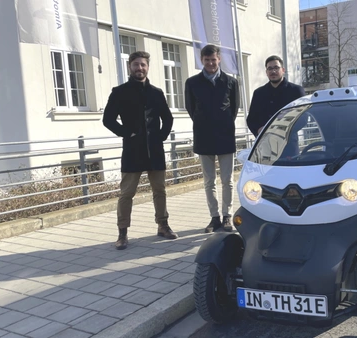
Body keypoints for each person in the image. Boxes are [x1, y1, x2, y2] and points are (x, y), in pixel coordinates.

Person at [103, 51, 177, 250]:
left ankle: (163, 225)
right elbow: (108, 120)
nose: (139, 68)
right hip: (132, 151)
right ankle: (122, 233)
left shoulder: (156, 92)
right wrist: (127, 133)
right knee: (127, 193)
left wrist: (160, 137)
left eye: (143, 65)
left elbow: (168, 119)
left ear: (148, 67)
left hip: (155, 151)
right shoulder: (119, 92)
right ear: (130, 67)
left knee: (159, 190)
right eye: (136, 64)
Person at [185, 44, 240, 233]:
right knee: (209, 181)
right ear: (202, 60)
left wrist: (221, 123)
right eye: (207, 60)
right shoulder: (192, 83)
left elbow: (234, 109)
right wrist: (204, 123)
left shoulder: (231, 82)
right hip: (203, 137)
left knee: (228, 180)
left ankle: (227, 216)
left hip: (225, 136)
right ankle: (214, 217)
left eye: (213, 59)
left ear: (219, 59)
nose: (210, 63)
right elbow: (191, 109)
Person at [247, 55, 305, 137]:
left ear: (283, 70)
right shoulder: (258, 93)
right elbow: (251, 120)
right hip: (265, 142)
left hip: (289, 142)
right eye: (269, 68)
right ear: (266, 72)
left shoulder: (296, 91)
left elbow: (303, 118)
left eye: (276, 68)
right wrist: (258, 130)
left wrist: (284, 131)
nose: (273, 71)